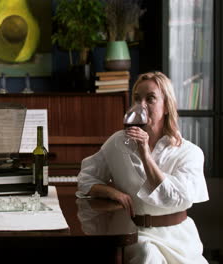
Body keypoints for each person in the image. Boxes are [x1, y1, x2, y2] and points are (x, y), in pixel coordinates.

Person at [76, 71, 209, 263]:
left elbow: (173, 198)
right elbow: (86, 178)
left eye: (151, 99)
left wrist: (145, 153)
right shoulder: (117, 142)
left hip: (178, 238)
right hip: (134, 234)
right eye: (137, 99)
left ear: (166, 106)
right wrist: (112, 192)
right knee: (148, 255)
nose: (142, 106)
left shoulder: (190, 152)